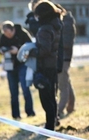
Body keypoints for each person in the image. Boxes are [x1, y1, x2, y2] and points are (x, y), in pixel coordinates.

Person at [28, 1, 62, 130]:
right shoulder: (55, 25)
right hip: (52, 65)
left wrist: (30, 52)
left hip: (45, 66)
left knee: (46, 97)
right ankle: (52, 123)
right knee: (51, 96)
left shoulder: (45, 29)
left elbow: (44, 50)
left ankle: (49, 126)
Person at [0, 20, 36, 120]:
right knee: (13, 92)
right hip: (10, 66)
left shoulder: (23, 34)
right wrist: (2, 50)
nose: (8, 36)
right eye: (5, 34)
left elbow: (31, 47)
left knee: (25, 89)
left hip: (23, 64)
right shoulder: (3, 37)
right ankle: (16, 115)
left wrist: (18, 50)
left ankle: (30, 112)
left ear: (13, 29)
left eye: (9, 33)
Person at [57, 9, 76, 118]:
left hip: (64, 58)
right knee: (66, 82)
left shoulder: (66, 24)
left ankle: (60, 109)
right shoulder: (65, 23)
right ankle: (70, 106)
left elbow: (67, 43)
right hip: (63, 57)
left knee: (63, 84)